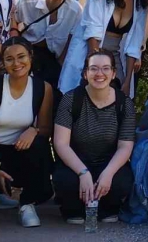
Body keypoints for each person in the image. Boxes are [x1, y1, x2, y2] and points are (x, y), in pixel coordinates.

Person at [0, 38, 55, 227]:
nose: (16, 64)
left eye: (21, 57)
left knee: (39, 143)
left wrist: (33, 130)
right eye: (9, 59)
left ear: (31, 57)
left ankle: (27, 203)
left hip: (20, 151)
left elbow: (46, 129)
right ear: (3, 62)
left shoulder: (43, 88)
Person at [53, 50, 135, 224]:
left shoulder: (124, 103)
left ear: (113, 73)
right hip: (77, 161)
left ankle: (107, 208)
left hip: (108, 161)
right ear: (85, 73)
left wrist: (108, 174)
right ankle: (72, 209)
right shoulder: (70, 99)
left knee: (122, 181)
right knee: (65, 181)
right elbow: (61, 144)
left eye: (106, 68)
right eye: (94, 69)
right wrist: (83, 173)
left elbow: (125, 146)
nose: (100, 74)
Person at [11, 0, 81, 87]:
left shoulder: (75, 10)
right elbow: (11, 21)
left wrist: (61, 66)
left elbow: (72, 42)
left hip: (53, 63)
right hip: (25, 58)